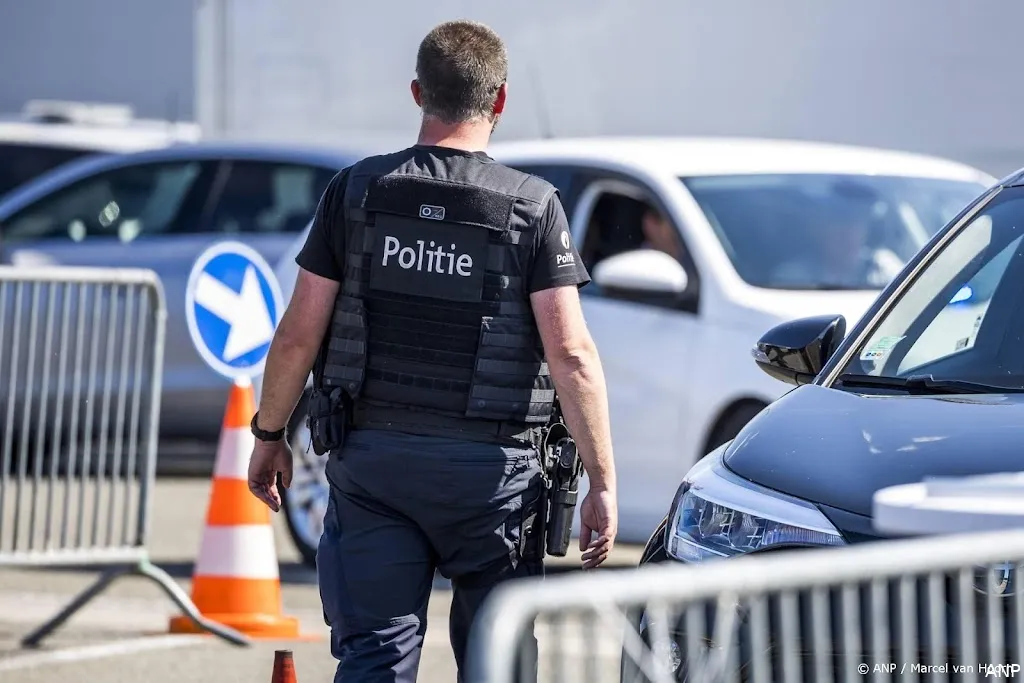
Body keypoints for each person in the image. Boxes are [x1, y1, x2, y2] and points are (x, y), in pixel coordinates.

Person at [244, 19, 618, 682]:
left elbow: (299, 332)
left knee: (375, 658)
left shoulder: (355, 192)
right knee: (497, 661)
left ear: (418, 92)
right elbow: (572, 356)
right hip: (494, 480)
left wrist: (269, 434)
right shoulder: (533, 208)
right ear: (500, 100)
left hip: (375, 466)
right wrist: (603, 482)